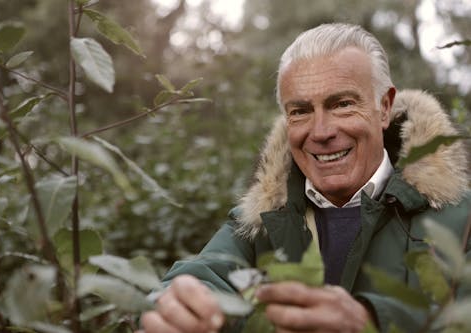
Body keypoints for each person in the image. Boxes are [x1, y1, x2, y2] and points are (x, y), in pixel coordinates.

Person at [139, 23, 470, 333]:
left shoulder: (462, 221)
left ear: (384, 108)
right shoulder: (262, 223)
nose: (321, 132)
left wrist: (373, 322)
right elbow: (207, 272)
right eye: (300, 111)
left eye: (341, 104)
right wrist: (171, 305)